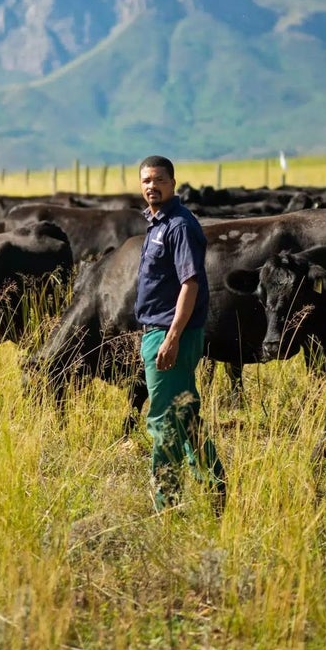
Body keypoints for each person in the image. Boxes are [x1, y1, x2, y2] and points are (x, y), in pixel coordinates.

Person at [134, 155, 226, 512]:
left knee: (162, 420)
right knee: (184, 413)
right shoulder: (157, 223)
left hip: (171, 333)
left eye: (158, 180)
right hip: (159, 330)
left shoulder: (180, 225)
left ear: (173, 183)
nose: (151, 186)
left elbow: (190, 283)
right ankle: (215, 485)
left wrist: (171, 337)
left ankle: (166, 503)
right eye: (145, 180)